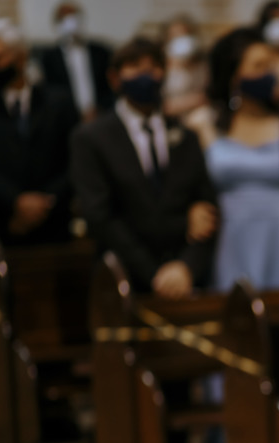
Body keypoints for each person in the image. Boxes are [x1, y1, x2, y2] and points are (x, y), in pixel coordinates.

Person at [70, 36, 218, 297]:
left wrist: (187, 266)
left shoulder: (186, 136)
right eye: (135, 67)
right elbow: (100, 216)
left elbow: (206, 206)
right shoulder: (91, 138)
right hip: (125, 276)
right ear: (115, 78)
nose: (146, 75)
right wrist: (154, 274)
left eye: (154, 67)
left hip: (185, 277)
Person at [205, 27, 279, 291]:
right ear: (233, 75)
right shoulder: (204, 125)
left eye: (271, 65)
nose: (269, 74)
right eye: (258, 66)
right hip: (230, 235)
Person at [0, 18, 78, 246]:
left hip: (54, 219)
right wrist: (15, 201)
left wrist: (44, 202)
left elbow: (75, 157)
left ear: (21, 57)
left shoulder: (58, 101)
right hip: (0, 221)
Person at [39, 2, 114, 122]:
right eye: (64, 18)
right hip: (66, 120)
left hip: (101, 116)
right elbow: (51, 91)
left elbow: (110, 85)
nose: (70, 23)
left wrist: (99, 109)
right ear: (56, 23)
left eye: (74, 17)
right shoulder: (49, 58)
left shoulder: (101, 52)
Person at [161, 14, 209, 120]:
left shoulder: (202, 65)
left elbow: (206, 96)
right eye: (174, 36)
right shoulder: (160, 66)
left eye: (184, 35)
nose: (180, 40)